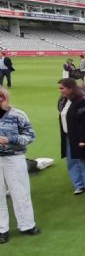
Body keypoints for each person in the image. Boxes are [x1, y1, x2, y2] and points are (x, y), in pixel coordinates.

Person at [0, 85, 39, 243]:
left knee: (21, 191)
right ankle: (2, 229)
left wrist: (11, 140)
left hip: (14, 157)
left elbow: (30, 135)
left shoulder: (17, 114)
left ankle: (27, 225)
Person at [57, 78, 85, 195]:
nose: (60, 91)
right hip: (68, 136)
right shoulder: (65, 101)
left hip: (79, 137)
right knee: (71, 162)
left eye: (62, 88)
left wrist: (84, 139)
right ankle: (79, 185)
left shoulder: (80, 102)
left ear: (70, 88)